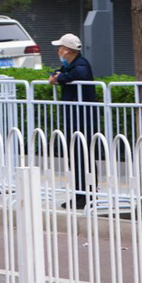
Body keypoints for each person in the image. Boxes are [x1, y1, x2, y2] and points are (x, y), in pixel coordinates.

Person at [50, 32, 100, 210]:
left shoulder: (81, 65)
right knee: (76, 157)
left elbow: (75, 75)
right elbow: (60, 73)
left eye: (60, 48)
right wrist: (57, 75)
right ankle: (80, 194)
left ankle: (87, 195)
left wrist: (58, 78)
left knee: (83, 156)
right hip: (75, 118)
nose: (58, 51)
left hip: (83, 119)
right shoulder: (71, 65)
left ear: (67, 50)